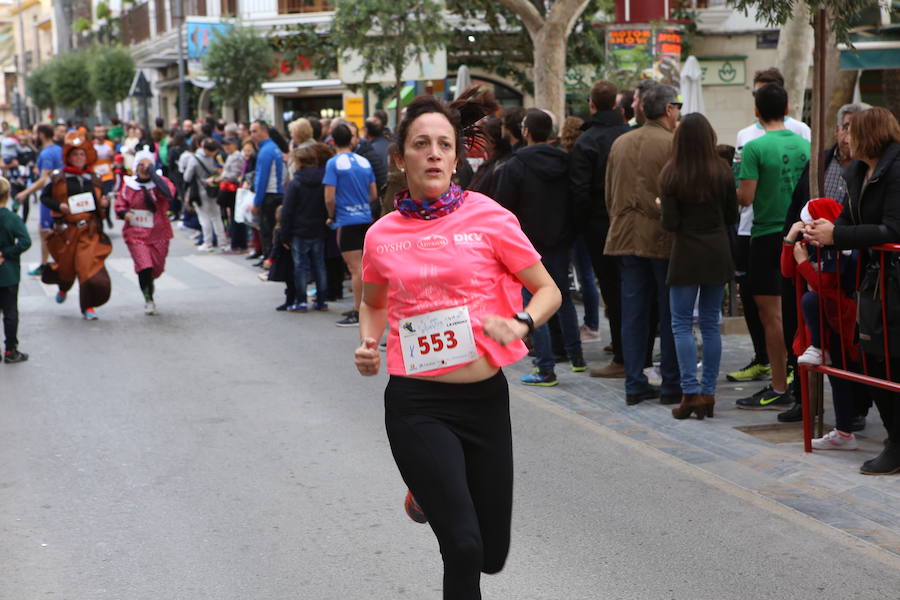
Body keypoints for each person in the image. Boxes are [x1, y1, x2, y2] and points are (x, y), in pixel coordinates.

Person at [354, 88, 562, 599]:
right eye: (421, 144)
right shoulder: (382, 235)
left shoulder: (489, 217)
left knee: (491, 553)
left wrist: (521, 323)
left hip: (484, 401)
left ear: (456, 155)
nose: (434, 153)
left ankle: (426, 495)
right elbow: (374, 302)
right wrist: (369, 341)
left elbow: (547, 290)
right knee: (464, 549)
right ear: (400, 159)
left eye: (444, 144)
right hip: (417, 402)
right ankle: (433, 482)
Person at [804, 107, 900, 475]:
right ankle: (895, 439)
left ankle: (896, 444)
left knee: (891, 361)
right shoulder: (858, 171)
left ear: (868, 134)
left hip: (892, 282)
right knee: (873, 358)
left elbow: (892, 229)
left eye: (850, 130)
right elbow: (848, 218)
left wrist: (838, 235)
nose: (843, 137)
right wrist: (823, 231)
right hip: (873, 284)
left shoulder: (895, 169)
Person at [728, 68, 812, 385]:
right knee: (794, 310)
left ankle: (779, 382)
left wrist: (726, 191)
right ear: (788, 109)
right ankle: (799, 377)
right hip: (801, 233)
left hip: (765, 236)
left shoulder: (754, 147)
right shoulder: (805, 143)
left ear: (757, 112)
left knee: (770, 315)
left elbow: (746, 198)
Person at [604, 83, 682, 406]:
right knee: (669, 312)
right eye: (676, 106)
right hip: (662, 237)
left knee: (633, 313)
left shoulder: (620, 143)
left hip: (624, 236)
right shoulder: (672, 143)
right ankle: (671, 384)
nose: (678, 112)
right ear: (667, 110)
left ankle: (634, 382)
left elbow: (609, 193)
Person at [495, 108, 586, 385]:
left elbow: (501, 209)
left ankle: (545, 366)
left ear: (525, 132)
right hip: (560, 240)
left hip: (526, 246)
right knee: (562, 297)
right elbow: (576, 197)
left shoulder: (515, 165)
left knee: (534, 303)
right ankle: (576, 356)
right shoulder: (567, 162)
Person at [659, 113, 739, 420]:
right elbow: (732, 216)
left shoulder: (671, 173)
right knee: (710, 323)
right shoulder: (722, 171)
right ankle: (708, 394)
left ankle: (689, 393)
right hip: (717, 250)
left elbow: (670, 223)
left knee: (680, 323)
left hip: (686, 253)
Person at [782, 199, 860, 449]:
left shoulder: (839, 249)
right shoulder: (809, 245)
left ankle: (845, 429)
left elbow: (822, 286)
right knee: (836, 376)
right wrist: (789, 241)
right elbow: (786, 271)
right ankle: (843, 433)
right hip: (823, 320)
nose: (805, 230)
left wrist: (803, 263)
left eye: (808, 224)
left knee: (842, 376)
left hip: (840, 318)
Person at [570, 79, 632, 378]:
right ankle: (631, 351)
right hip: (630, 220)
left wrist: (580, 227)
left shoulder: (587, 142)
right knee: (632, 288)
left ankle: (623, 353)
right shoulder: (629, 135)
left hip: (599, 224)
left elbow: (579, 193)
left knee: (612, 288)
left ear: (591, 104)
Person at [40, 132, 112, 320]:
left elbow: (100, 202)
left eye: (82, 154)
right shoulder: (58, 177)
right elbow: (44, 197)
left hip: (88, 231)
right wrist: (60, 206)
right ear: (69, 157)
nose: (79, 158)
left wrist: (104, 203)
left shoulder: (94, 178)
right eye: (75, 155)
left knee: (87, 268)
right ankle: (63, 287)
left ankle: (87, 306)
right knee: (66, 268)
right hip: (67, 231)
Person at [323, 123, 376, 327]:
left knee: (356, 269)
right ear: (352, 139)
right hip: (366, 219)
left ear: (333, 141)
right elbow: (373, 193)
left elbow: (329, 197)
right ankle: (367, 307)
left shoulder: (333, 163)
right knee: (366, 268)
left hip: (347, 220)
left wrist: (331, 215)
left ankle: (358, 311)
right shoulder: (364, 161)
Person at [115, 149, 176, 315]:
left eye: (147, 164)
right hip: (136, 233)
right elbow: (120, 205)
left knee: (156, 268)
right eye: (141, 164)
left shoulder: (160, 184)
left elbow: (169, 193)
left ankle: (149, 283)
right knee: (145, 266)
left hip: (159, 232)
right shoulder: (129, 186)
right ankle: (148, 298)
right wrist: (124, 213)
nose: (144, 167)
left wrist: (153, 175)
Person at [280, 143, 333, 312]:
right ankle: (321, 300)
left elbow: (287, 210)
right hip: (318, 228)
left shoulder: (295, 183)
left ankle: (301, 301)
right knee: (319, 264)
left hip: (299, 230)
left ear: (299, 162)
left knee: (300, 266)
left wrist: (284, 234)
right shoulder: (323, 180)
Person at [17, 124, 61, 275]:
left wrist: (26, 193)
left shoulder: (47, 153)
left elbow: (44, 179)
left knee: (45, 231)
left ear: (41, 134)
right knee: (52, 231)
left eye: (35, 133)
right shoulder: (56, 149)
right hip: (57, 196)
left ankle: (46, 265)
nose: (33, 136)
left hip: (49, 197)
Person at [0, 176, 31, 363]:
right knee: (10, 312)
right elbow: (26, 241)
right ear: (7, 194)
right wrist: (7, 252)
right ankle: (11, 350)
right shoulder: (11, 218)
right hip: (8, 271)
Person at [250, 120, 284, 259]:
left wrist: (257, 202)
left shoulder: (266, 151)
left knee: (267, 232)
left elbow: (261, 179)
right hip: (275, 194)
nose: (252, 135)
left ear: (264, 131)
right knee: (270, 231)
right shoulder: (272, 148)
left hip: (269, 195)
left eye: (254, 131)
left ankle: (269, 262)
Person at [184, 137, 225, 252]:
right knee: (217, 216)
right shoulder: (215, 158)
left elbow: (187, 177)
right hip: (214, 189)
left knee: (204, 217)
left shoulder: (194, 159)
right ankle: (222, 243)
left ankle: (208, 243)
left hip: (200, 191)